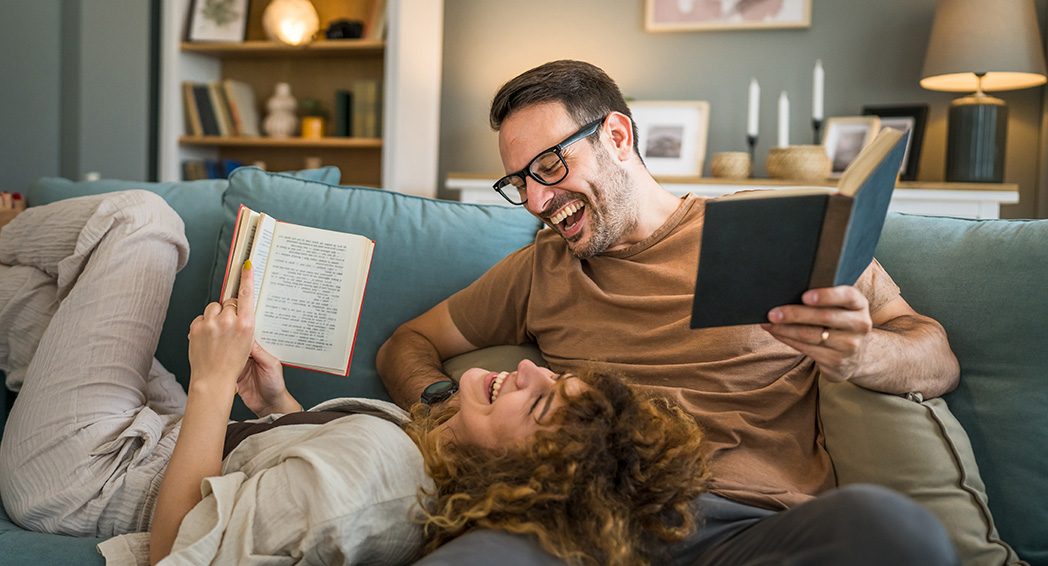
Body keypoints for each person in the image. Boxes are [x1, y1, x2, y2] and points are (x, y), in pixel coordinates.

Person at [376, 59, 962, 565]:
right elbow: (407, 342)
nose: (535, 200)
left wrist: (864, 352)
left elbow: (935, 359)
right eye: (519, 182)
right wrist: (442, 403)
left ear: (619, 136)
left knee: (893, 530)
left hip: (749, 524)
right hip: (583, 527)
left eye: (550, 167)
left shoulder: (770, 233)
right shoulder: (540, 268)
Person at [0, 190, 707, 566]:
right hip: (153, 434)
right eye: (550, 376)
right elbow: (299, 465)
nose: (525, 367)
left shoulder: (373, 486)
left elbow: (174, 551)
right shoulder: (422, 458)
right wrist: (273, 401)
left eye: (542, 402)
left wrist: (212, 383)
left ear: (536, 472)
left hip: (86, 473)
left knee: (142, 220)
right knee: (38, 296)